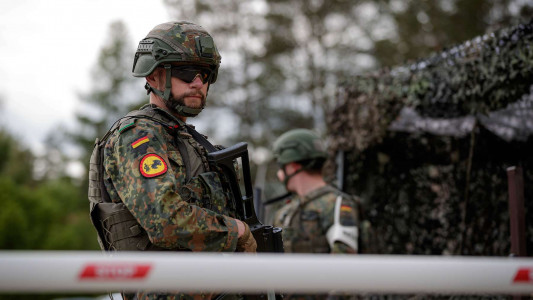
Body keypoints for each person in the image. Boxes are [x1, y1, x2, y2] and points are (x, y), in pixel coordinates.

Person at [87, 21, 256, 300]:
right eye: (186, 72)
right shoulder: (137, 136)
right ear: (153, 76)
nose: (198, 83)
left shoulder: (186, 139)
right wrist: (236, 231)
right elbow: (164, 220)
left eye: (205, 74)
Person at [272, 128, 360, 299]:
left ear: (292, 166)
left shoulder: (338, 204)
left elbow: (345, 273)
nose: (279, 174)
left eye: (281, 166)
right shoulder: (286, 211)